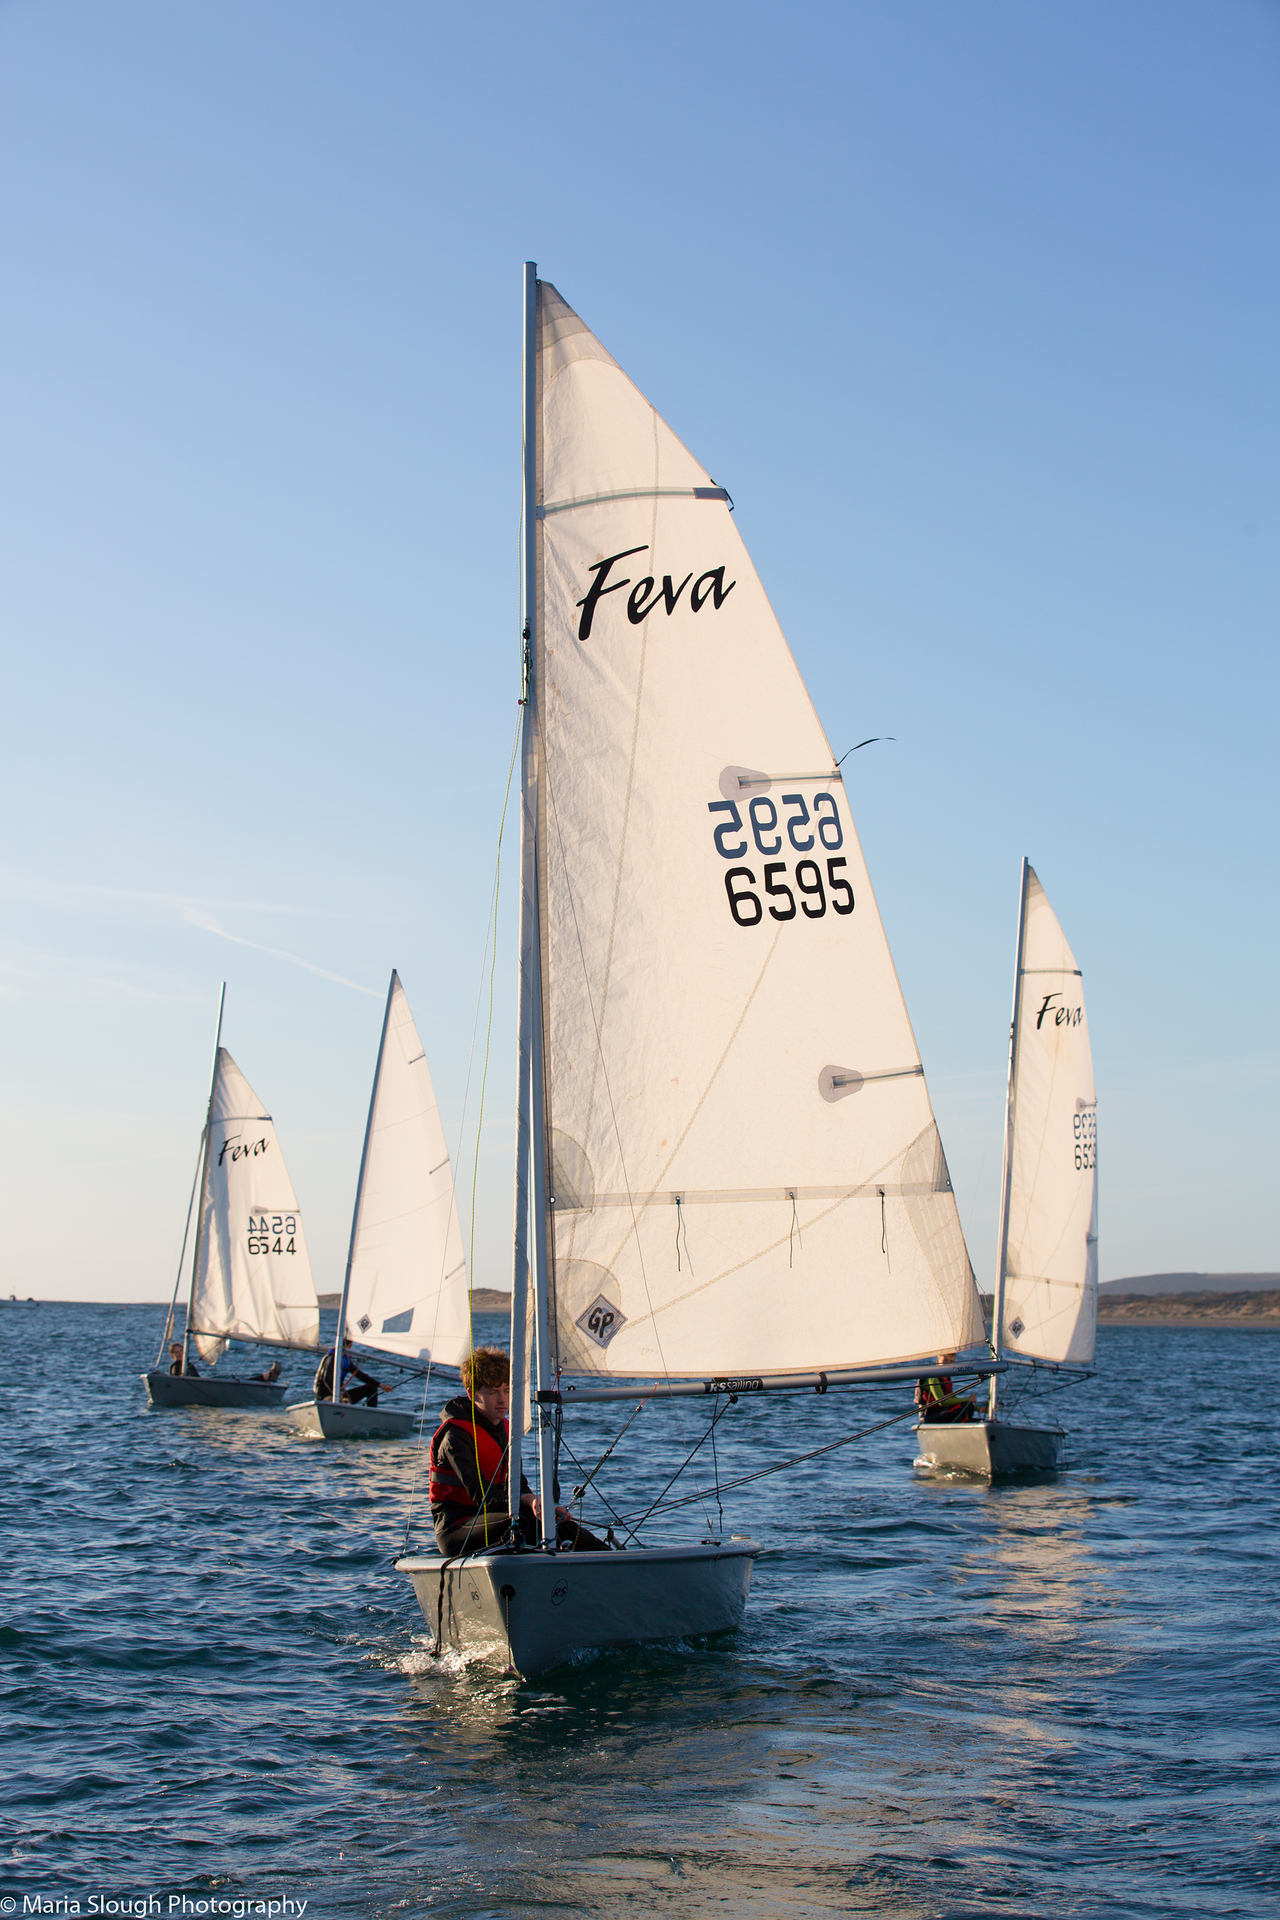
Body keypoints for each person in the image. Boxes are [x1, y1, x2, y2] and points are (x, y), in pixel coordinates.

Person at [429, 1346, 607, 1557]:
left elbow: (519, 1484)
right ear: (472, 1394)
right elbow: (483, 1497)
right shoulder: (455, 1437)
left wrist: (543, 1508)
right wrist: (527, 1501)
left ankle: (619, 1562)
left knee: (563, 1527)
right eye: (493, 1392)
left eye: (506, 1390)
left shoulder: (505, 1430)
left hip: (501, 1516)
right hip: (457, 1527)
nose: (502, 1399)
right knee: (522, 1523)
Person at [313, 1335, 387, 1406]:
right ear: (350, 1345)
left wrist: (380, 1385)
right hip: (325, 1398)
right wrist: (337, 1395)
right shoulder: (332, 1358)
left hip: (339, 1396)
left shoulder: (345, 1359)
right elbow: (327, 1379)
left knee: (372, 1387)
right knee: (341, 1398)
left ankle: (371, 1416)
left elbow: (361, 1375)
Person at [915, 1353, 977, 1424]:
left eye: (950, 1361)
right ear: (938, 1361)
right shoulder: (933, 1378)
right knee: (964, 1406)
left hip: (941, 1413)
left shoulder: (946, 1378)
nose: (947, 1364)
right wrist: (969, 1400)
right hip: (929, 1417)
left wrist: (980, 1409)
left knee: (967, 1407)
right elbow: (942, 1402)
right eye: (944, 1361)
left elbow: (953, 1399)